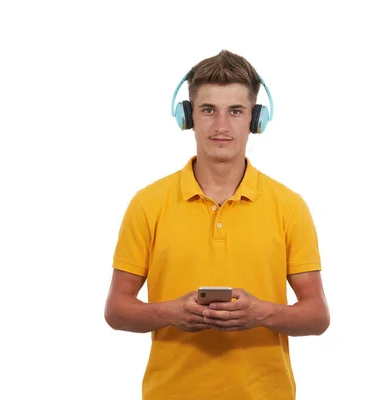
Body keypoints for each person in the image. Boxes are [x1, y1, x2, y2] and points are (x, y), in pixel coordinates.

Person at [104, 49, 330, 400]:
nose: (221, 126)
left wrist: (261, 313)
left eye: (236, 111)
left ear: (256, 119)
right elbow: (116, 309)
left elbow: (317, 315)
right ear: (187, 117)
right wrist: (170, 312)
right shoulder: (148, 204)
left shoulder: (290, 206)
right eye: (208, 110)